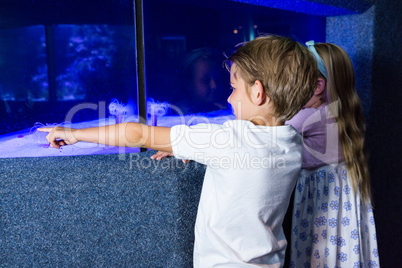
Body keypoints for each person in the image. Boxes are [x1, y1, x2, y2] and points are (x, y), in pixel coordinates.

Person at [38, 35, 318, 267]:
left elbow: (138, 133)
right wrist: (189, 146)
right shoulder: (291, 141)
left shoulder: (228, 140)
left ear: (258, 93)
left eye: (233, 88)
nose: (229, 97)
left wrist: (74, 133)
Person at [286, 41, 379, 267]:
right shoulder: (341, 111)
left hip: (321, 201)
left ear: (317, 86)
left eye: (293, 79)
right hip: (343, 198)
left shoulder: (308, 117)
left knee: (320, 254)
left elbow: (268, 136)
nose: (287, 85)